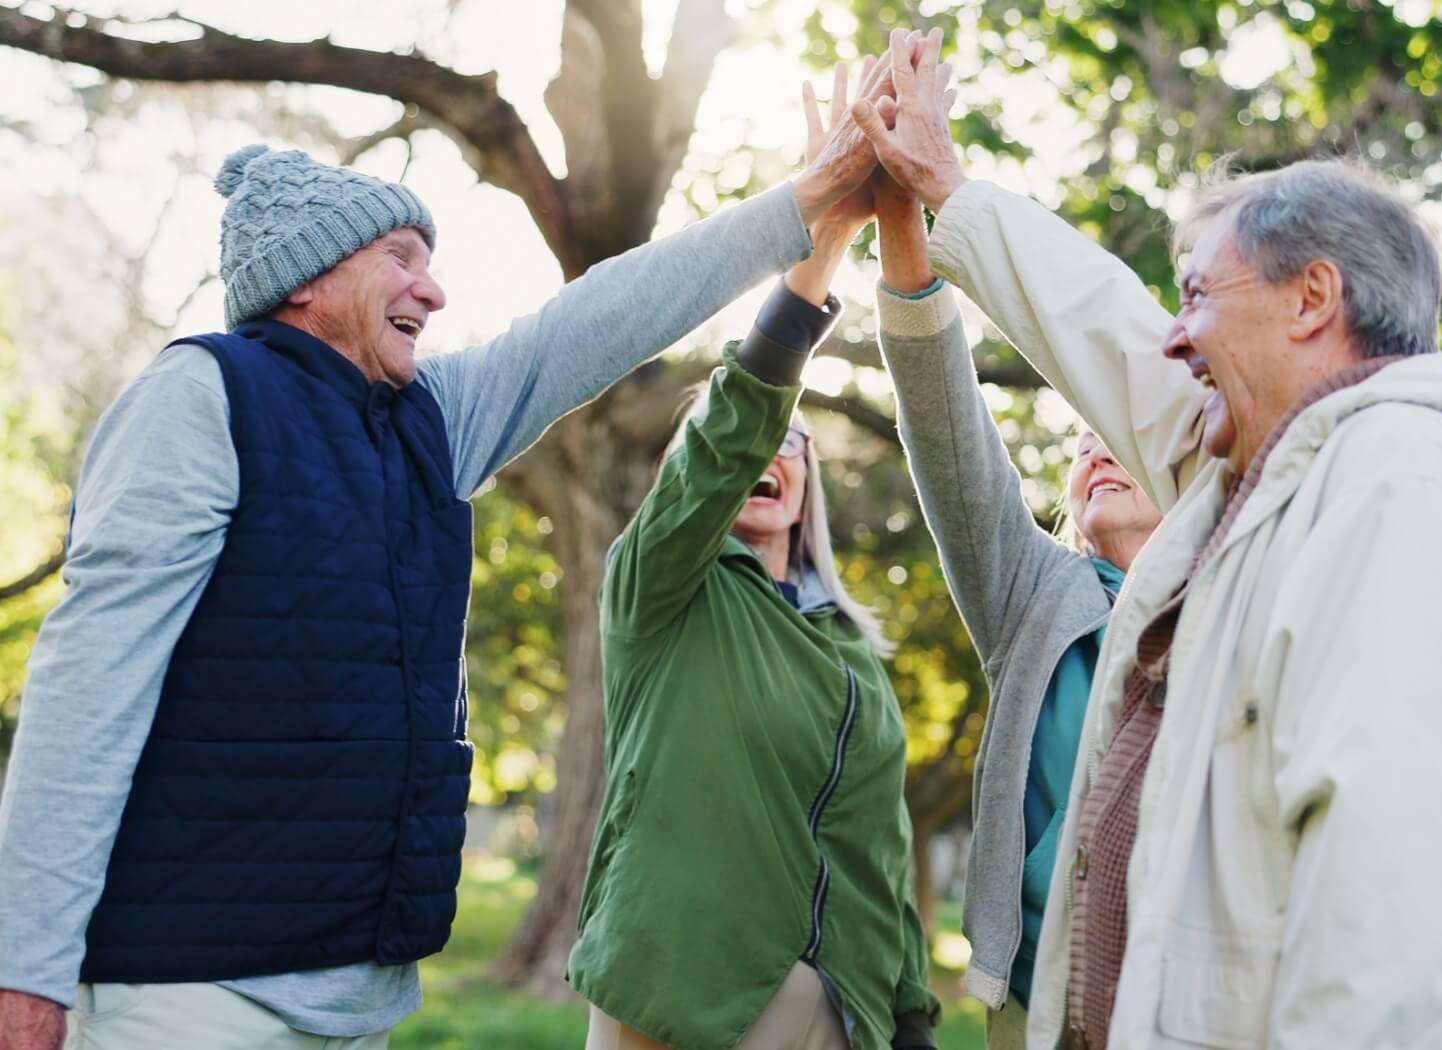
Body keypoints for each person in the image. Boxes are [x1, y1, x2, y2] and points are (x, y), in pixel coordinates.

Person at [0, 76, 892, 1049]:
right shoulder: (198, 399)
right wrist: (23, 969)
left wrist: (803, 208)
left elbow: (599, 319)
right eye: (401, 259)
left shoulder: (434, 418)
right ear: (307, 277)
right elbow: (85, 693)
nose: (433, 289)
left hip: (359, 996)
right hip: (186, 995)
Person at [854, 29, 1442, 1050]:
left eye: (1197, 295)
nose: (1173, 334)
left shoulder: (1406, 495)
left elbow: (1387, 934)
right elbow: (1117, 342)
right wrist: (947, 187)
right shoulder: (1280, 480)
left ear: (1311, 300)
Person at [568, 49, 941, 1050]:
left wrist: (907, 1009)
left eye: (792, 444)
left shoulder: (848, 647)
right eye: (747, 443)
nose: (766, 453)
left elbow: (877, 842)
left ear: (809, 478)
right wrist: (820, 244)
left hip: (831, 1009)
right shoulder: (662, 591)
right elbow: (732, 427)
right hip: (674, 992)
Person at [867, 137, 1159, 1050]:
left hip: (1187, 994)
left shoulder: (1233, 587)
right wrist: (903, 227)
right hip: (1038, 1002)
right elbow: (949, 431)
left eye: (1115, 432)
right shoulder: (1039, 594)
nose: (1095, 452)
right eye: (1078, 449)